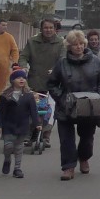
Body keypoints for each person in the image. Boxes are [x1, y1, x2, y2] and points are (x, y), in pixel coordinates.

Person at [46, 29, 100, 180]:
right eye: (75, 44)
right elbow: (52, 84)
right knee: (66, 140)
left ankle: (84, 158)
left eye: (81, 43)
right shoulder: (62, 63)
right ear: (69, 46)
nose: (79, 47)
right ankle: (68, 167)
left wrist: (99, 96)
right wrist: (62, 98)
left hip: (89, 106)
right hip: (66, 107)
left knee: (87, 138)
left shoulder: (95, 61)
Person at [19, 17, 65, 149]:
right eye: (46, 27)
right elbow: (23, 56)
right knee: (32, 108)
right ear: (41, 29)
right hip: (34, 81)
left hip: (53, 83)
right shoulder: (32, 42)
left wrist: (56, 69)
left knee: (50, 110)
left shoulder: (60, 43)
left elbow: (63, 59)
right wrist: (23, 66)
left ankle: (46, 135)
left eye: (51, 27)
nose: (48, 30)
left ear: (55, 29)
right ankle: (29, 134)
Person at [0, 69, 38, 179]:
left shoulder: (28, 95)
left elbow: (33, 110)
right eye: (19, 78)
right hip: (8, 125)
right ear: (12, 80)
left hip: (22, 125)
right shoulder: (6, 96)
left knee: (19, 147)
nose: (21, 79)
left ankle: (17, 169)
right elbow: (0, 111)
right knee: (8, 146)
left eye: (23, 78)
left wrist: (36, 123)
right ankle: (7, 159)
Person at [0, 19, 21, 101]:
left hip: (4, 64)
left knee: (2, 83)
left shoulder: (9, 37)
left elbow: (14, 50)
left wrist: (15, 62)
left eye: (6, 25)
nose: (5, 27)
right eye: (3, 25)